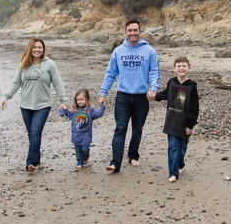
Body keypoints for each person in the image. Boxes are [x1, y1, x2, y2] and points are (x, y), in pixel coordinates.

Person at [100, 19, 159, 172]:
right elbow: (110, 73)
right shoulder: (118, 51)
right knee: (120, 128)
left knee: (137, 129)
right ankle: (115, 163)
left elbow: (154, 71)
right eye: (130, 30)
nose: (132, 33)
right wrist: (103, 93)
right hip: (122, 97)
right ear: (125, 32)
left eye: (135, 30)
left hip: (141, 97)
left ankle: (133, 155)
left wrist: (154, 88)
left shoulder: (149, 51)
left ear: (140, 31)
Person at [0, 38, 67, 172]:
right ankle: (36, 158)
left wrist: (64, 101)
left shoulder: (49, 64)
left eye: (40, 47)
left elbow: (57, 83)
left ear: (43, 49)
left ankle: (30, 163)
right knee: (31, 134)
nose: (37, 50)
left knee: (36, 133)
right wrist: (6, 96)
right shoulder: (24, 64)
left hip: (42, 105)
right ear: (30, 48)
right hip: (25, 105)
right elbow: (16, 83)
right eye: (35, 47)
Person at [153, 56, 200, 183]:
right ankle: (173, 173)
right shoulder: (171, 82)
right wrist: (153, 96)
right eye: (179, 66)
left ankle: (180, 164)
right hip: (172, 121)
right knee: (173, 147)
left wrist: (190, 125)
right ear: (174, 69)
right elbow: (165, 94)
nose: (181, 68)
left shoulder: (192, 86)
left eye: (184, 66)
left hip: (184, 122)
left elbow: (194, 107)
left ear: (189, 69)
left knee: (182, 147)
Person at [56, 88, 105, 169]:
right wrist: (64, 109)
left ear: (87, 99)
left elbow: (99, 114)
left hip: (86, 135)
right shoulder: (75, 110)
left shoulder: (91, 110)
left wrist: (103, 106)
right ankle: (79, 161)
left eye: (81, 99)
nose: (79, 101)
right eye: (77, 99)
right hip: (76, 135)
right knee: (78, 150)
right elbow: (68, 114)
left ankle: (86, 158)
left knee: (85, 149)